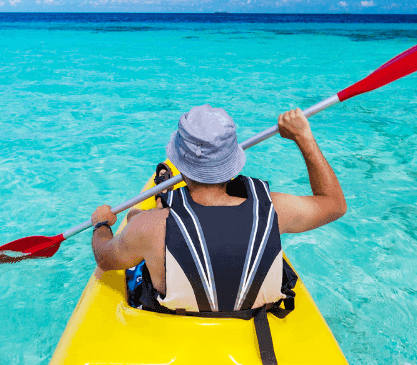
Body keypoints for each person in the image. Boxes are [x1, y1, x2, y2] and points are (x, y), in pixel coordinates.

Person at [90, 104, 346, 317]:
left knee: (140, 221)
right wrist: (304, 138)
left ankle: (164, 202)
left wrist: (101, 225)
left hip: (173, 326)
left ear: (181, 164)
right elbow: (335, 205)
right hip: (255, 331)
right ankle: (165, 204)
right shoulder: (276, 210)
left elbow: (105, 258)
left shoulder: (148, 228)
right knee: (148, 221)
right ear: (232, 162)